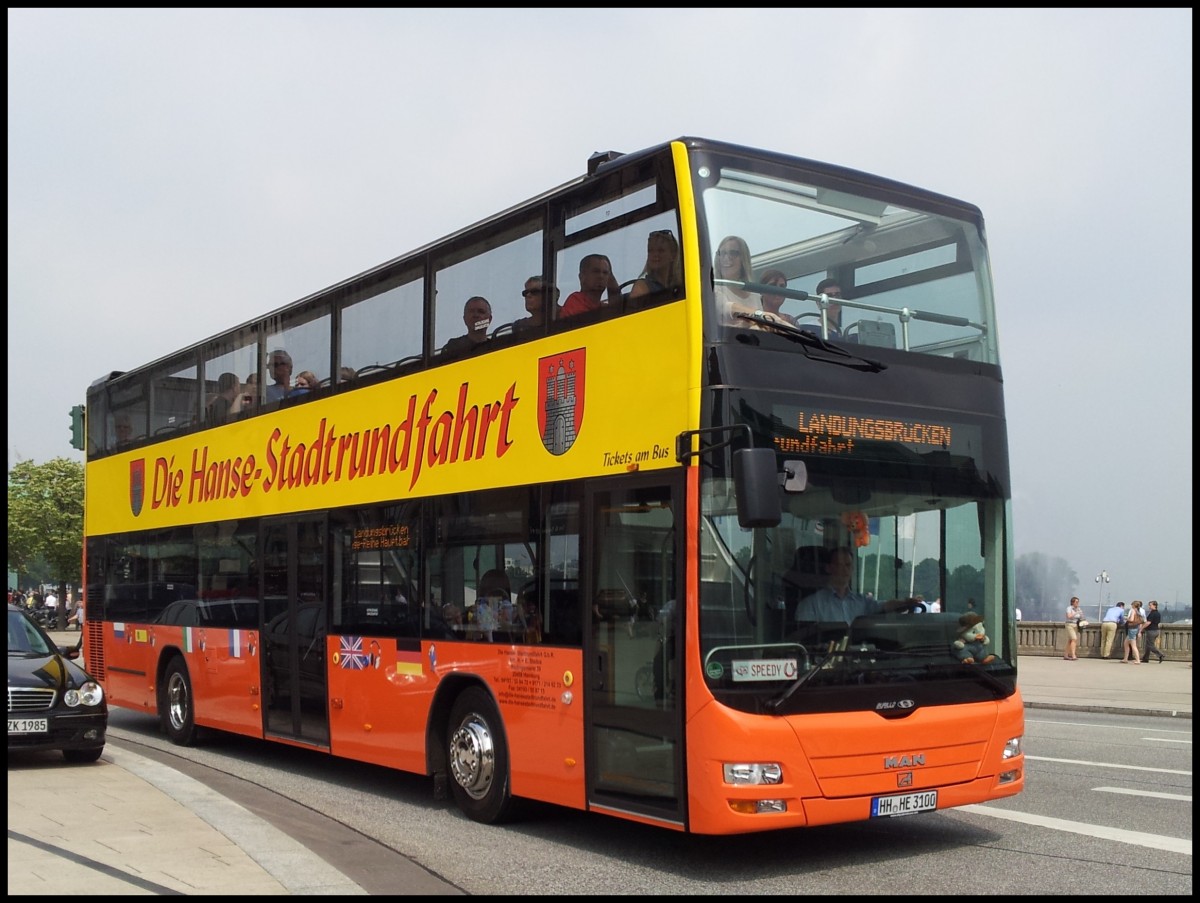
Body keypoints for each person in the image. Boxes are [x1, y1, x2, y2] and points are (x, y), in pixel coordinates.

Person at [794, 546, 913, 624]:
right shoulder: (810, 605)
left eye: (848, 565)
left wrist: (906, 603)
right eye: (840, 565)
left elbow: (884, 606)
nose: (845, 570)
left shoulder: (862, 602)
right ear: (828, 568)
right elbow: (805, 643)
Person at [713, 235, 759, 326]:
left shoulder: (756, 297)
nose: (726, 258)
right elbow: (725, 308)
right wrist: (759, 315)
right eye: (722, 253)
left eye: (733, 253)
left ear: (743, 258)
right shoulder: (714, 289)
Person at [560, 254, 622, 318]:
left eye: (605, 273)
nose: (601, 276)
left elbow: (618, 309)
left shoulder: (603, 307)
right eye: (596, 271)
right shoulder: (575, 301)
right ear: (582, 277)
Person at [628, 230, 682, 302]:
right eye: (650, 250)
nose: (655, 254)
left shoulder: (679, 287)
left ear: (673, 255)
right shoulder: (642, 287)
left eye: (661, 250)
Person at [1064, 595, 1084, 660]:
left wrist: (1082, 618)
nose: (1077, 603)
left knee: (1070, 640)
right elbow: (1069, 616)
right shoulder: (1069, 608)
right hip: (1069, 624)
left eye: (1078, 602)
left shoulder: (1078, 609)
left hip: (1075, 625)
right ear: (1072, 602)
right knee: (1074, 639)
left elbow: (1081, 617)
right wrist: (1076, 613)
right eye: (1076, 602)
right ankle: (1073, 655)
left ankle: (1066, 655)